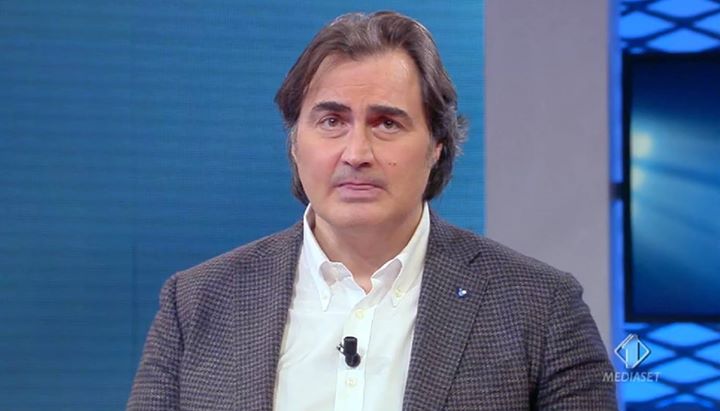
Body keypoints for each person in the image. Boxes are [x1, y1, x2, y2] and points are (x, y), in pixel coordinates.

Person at [128, 11, 617, 411]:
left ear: (438, 146)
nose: (356, 152)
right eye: (331, 121)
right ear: (295, 143)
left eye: (386, 123)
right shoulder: (196, 304)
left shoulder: (542, 308)